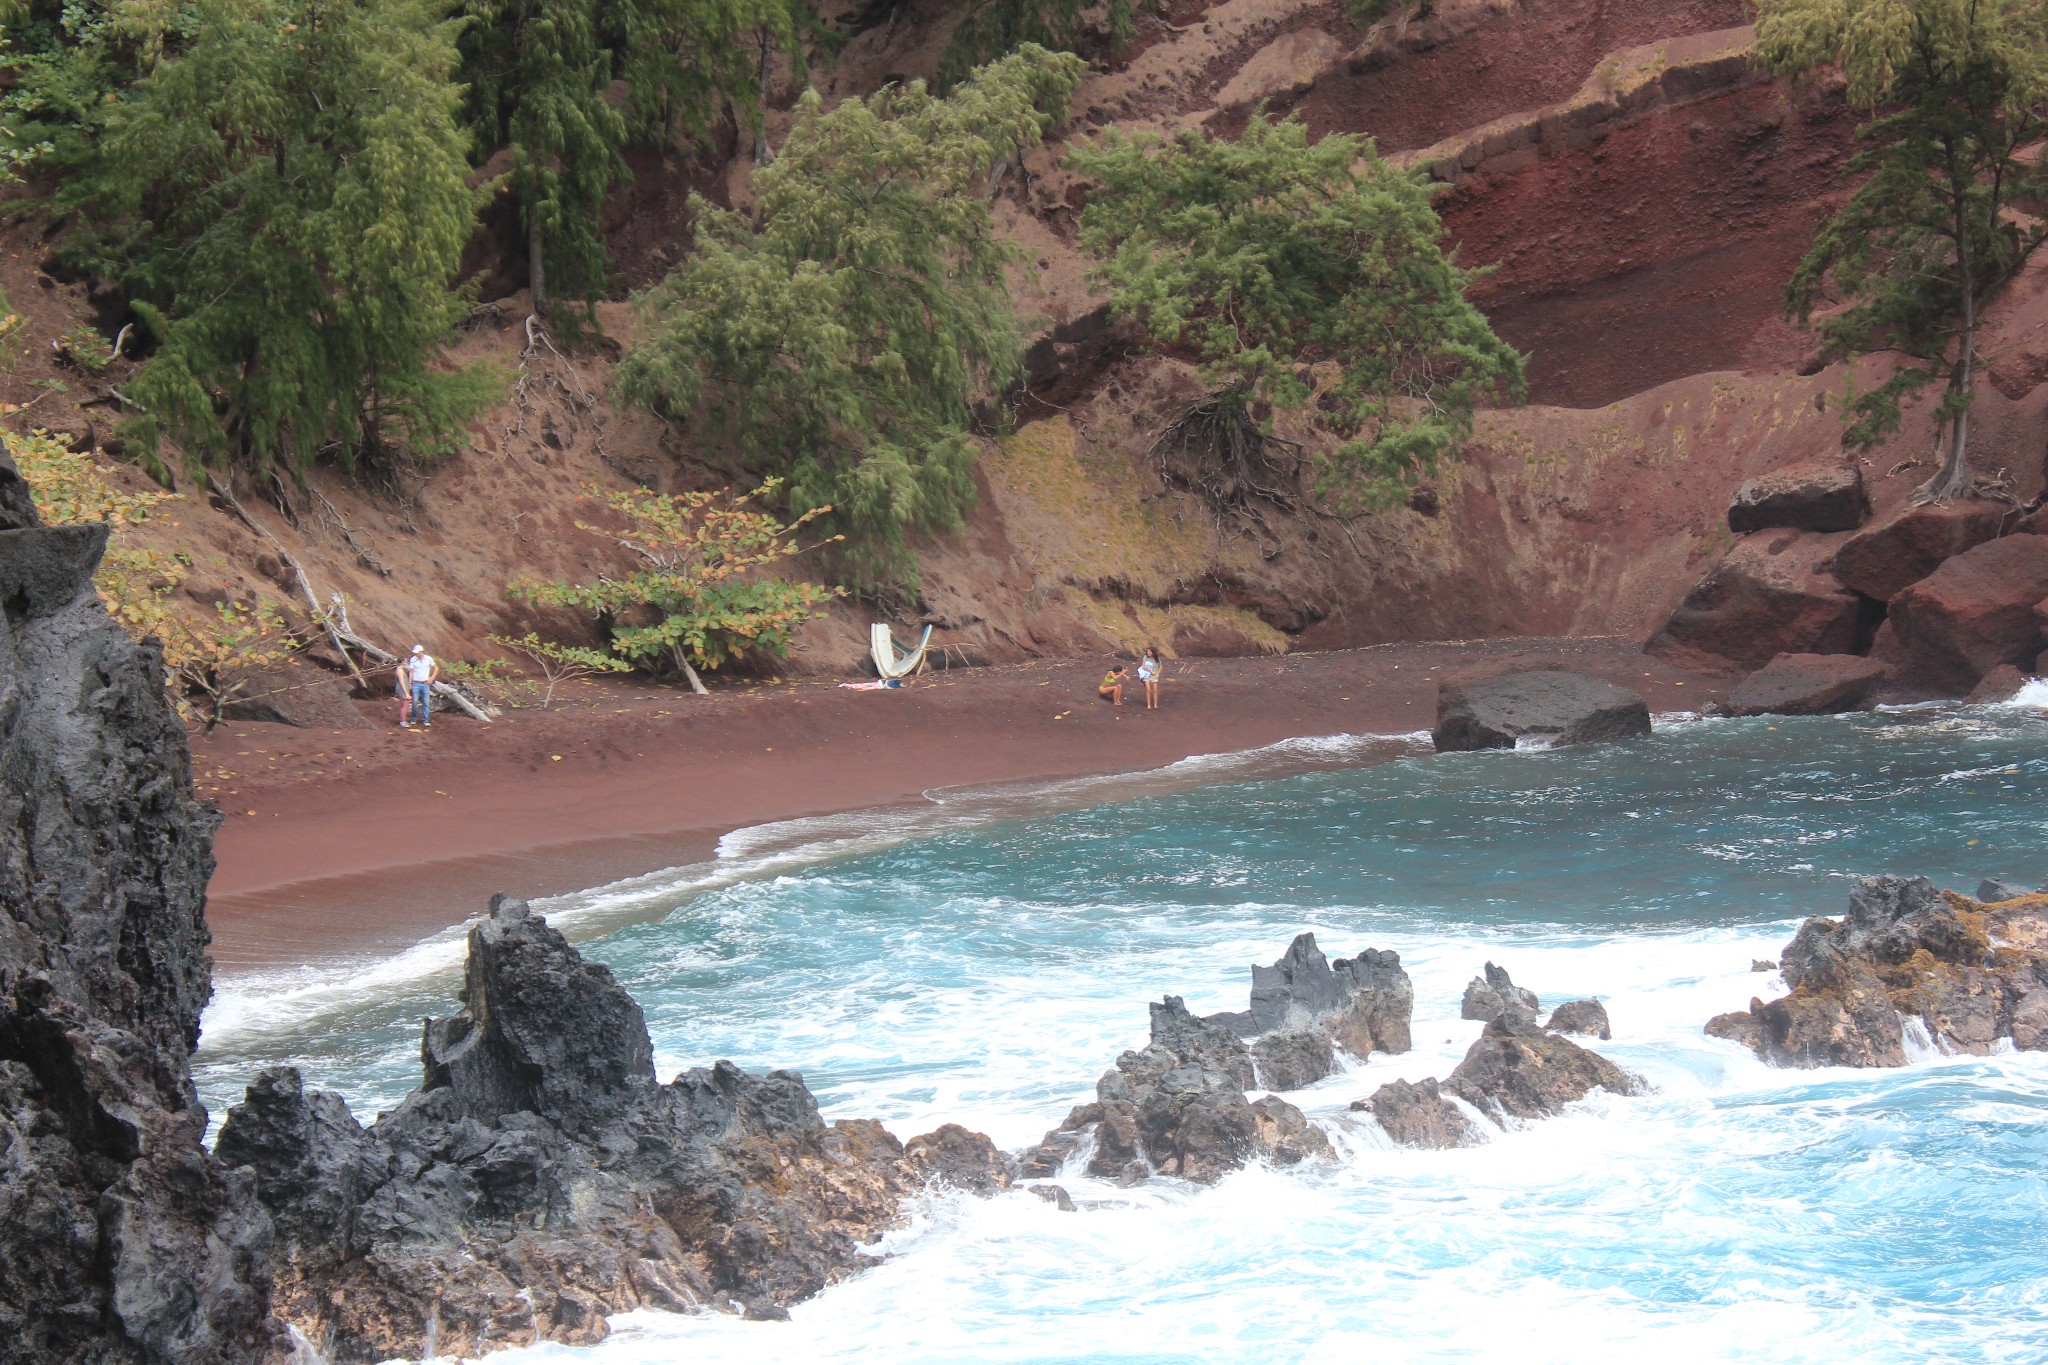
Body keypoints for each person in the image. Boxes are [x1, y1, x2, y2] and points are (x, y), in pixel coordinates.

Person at [406, 644, 439, 729]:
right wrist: (410, 683)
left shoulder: (428, 659)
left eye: (417, 652)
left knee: (426, 702)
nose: (416, 654)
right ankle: (413, 718)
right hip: (416, 683)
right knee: (414, 702)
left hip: (425, 683)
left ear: (421, 652)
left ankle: (426, 720)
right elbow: (411, 672)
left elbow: (436, 668)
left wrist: (431, 678)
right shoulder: (413, 659)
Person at [394, 657, 413, 727]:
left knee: (404, 705)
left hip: (403, 689)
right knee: (405, 705)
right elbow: (402, 682)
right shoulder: (400, 670)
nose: (406, 662)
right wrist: (406, 693)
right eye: (405, 661)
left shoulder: (401, 669)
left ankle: (403, 720)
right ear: (402, 662)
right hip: (402, 689)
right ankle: (402, 722)